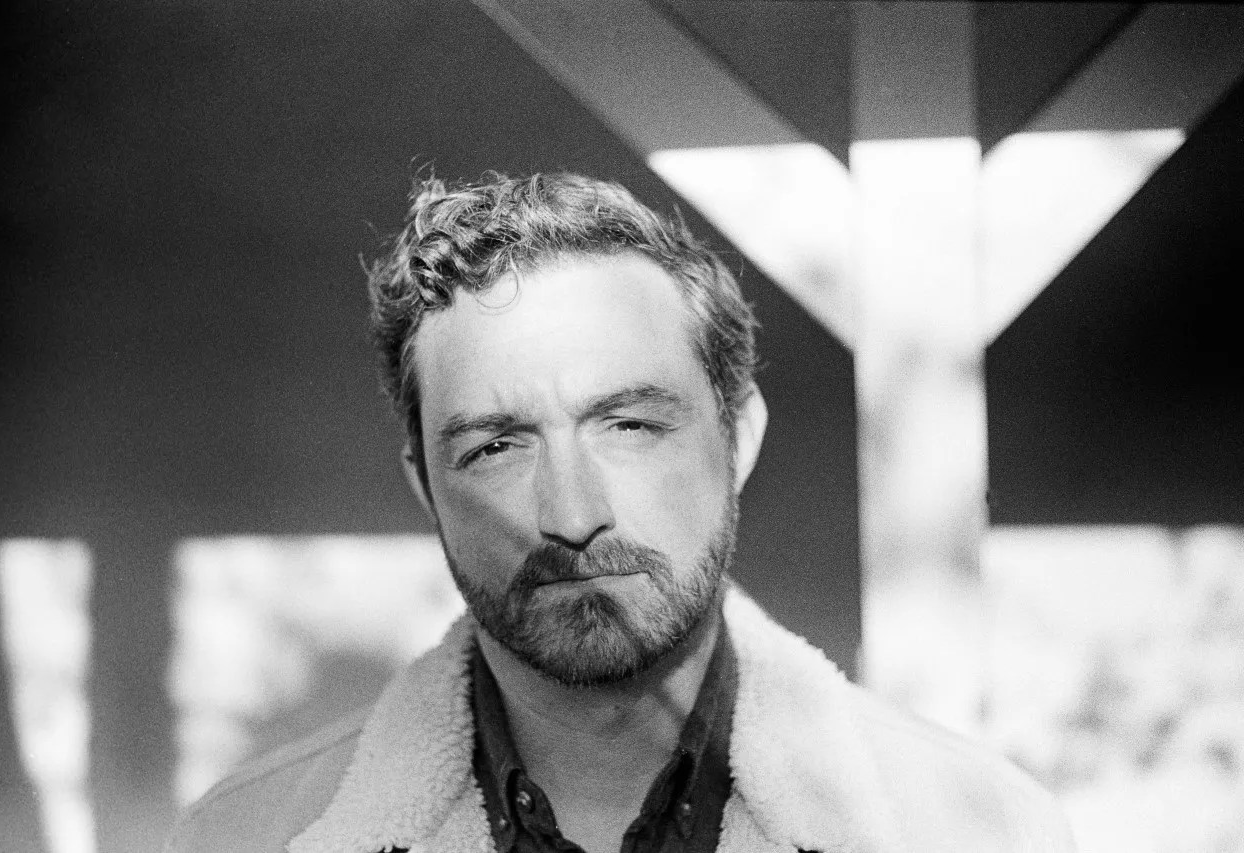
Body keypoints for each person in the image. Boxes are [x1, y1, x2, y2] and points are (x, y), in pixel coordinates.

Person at [166, 172, 1075, 853]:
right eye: (496, 446)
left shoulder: (982, 830)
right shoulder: (240, 837)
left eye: (630, 425)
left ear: (739, 437)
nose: (571, 515)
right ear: (425, 486)